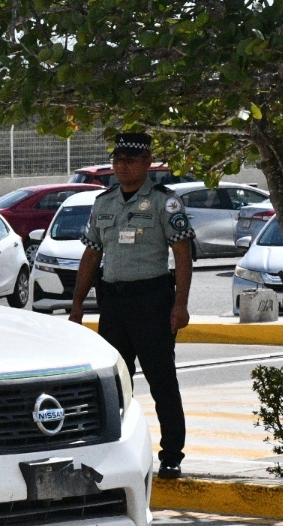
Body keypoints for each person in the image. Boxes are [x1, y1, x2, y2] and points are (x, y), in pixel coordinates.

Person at [69, 133, 193, 479]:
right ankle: (115, 452)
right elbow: (92, 253)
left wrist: (180, 304)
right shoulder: (103, 203)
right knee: (116, 382)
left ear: (148, 162)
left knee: (161, 380)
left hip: (151, 301)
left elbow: (182, 255)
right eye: (117, 159)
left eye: (130, 160)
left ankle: (171, 454)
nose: (122, 166)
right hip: (113, 302)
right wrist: (78, 304)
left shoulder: (164, 203)